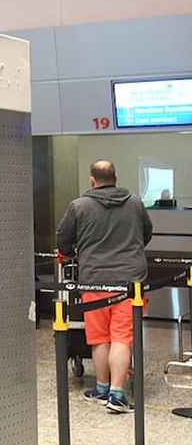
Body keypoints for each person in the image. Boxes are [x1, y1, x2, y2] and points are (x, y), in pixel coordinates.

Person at [57, 160, 153, 414]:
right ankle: (117, 395)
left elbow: (63, 241)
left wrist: (71, 252)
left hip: (94, 281)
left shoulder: (78, 206)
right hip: (128, 283)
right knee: (122, 338)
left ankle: (101, 387)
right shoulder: (134, 202)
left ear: (92, 180)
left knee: (99, 338)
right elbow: (146, 233)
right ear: (116, 176)